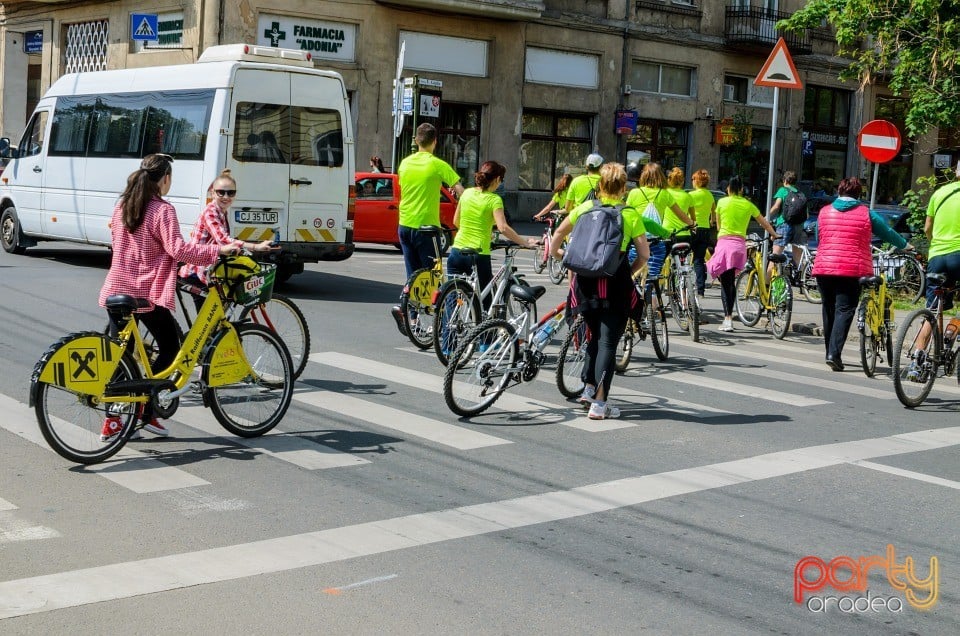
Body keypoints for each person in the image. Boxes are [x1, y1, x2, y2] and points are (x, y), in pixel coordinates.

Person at [98, 154, 238, 441]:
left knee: (118, 356)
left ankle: (114, 422)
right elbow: (178, 250)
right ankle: (147, 411)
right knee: (170, 347)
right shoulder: (162, 210)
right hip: (144, 293)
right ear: (165, 179)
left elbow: (119, 242)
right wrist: (217, 251)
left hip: (116, 289)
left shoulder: (121, 206)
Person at [550, 163, 651, 420]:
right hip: (615, 281)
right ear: (624, 187)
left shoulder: (584, 209)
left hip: (585, 282)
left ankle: (588, 389)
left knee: (592, 337)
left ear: (600, 185)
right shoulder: (629, 214)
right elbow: (644, 255)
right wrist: (628, 271)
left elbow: (557, 239)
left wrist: (566, 257)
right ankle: (599, 404)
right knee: (608, 342)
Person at [812, 177, 912, 371]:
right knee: (845, 309)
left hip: (824, 267)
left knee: (829, 308)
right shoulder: (866, 213)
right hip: (851, 269)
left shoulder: (824, 212)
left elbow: (819, 237)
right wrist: (905, 245)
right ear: (859, 195)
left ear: (839, 192)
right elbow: (887, 233)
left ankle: (830, 352)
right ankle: (834, 353)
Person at [179, 169, 277, 311]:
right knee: (211, 323)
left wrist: (240, 249)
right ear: (213, 193)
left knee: (218, 317)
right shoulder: (211, 212)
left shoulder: (221, 211)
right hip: (198, 270)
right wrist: (256, 247)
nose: (226, 196)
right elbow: (223, 241)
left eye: (231, 193)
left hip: (210, 268)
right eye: (221, 192)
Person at [447, 161, 537, 306]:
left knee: (452, 295)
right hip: (478, 253)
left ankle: (448, 328)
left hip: (457, 251)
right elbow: (503, 228)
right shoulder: (495, 200)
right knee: (485, 300)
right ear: (496, 179)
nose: (501, 183)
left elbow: (456, 221)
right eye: (501, 179)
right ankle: (487, 328)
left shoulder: (467, 193)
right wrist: (525, 242)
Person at [708, 176, 779, 333]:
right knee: (731, 281)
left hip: (724, 244)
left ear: (728, 189)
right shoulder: (748, 204)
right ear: (741, 189)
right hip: (740, 246)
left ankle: (728, 319)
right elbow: (763, 222)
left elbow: (718, 225)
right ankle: (729, 317)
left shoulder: (721, 202)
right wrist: (774, 234)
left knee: (726, 284)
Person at [396, 123, 464, 278]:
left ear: (416, 140)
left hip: (405, 224)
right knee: (434, 274)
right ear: (435, 141)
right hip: (426, 227)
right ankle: (431, 302)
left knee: (413, 275)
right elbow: (462, 192)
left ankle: (411, 301)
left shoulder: (404, 163)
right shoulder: (438, 165)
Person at [626, 163, 694, 316]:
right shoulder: (665, 194)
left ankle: (633, 304)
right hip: (657, 241)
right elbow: (680, 214)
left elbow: (626, 212)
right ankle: (652, 305)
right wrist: (691, 224)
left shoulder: (634, 193)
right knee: (653, 276)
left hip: (637, 241)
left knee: (633, 275)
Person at [688, 168, 718, 296]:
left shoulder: (691, 195)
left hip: (692, 229)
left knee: (683, 257)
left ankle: (683, 283)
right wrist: (712, 222)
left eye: (693, 179)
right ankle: (701, 289)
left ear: (697, 181)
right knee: (699, 259)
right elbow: (713, 212)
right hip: (705, 230)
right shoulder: (710, 195)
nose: (692, 182)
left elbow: (686, 211)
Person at [768, 170, 804, 272]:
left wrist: (766, 217)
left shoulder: (783, 190)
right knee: (798, 258)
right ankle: (801, 280)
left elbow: (776, 206)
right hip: (798, 226)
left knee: (774, 257)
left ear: (784, 180)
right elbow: (806, 214)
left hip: (784, 224)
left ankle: (766, 284)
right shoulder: (800, 193)